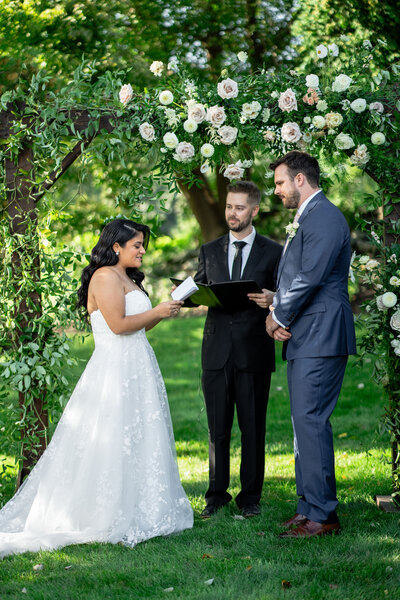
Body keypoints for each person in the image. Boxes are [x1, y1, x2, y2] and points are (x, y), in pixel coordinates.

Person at [0, 218, 193, 558]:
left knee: (137, 437)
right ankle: (100, 512)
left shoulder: (126, 278)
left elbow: (138, 329)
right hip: (113, 371)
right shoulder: (104, 277)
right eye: (137, 244)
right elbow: (118, 326)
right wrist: (159, 309)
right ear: (116, 246)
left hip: (137, 367)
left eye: (142, 244)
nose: (143, 250)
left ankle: (139, 507)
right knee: (109, 435)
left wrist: (163, 311)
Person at [266, 151, 356, 538]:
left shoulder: (325, 217)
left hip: (321, 333)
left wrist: (278, 316)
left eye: (280, 182)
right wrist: (281, 309)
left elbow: (310, 276)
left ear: (300, 179)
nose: (277, 191)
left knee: (312, 421)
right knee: (302, 422)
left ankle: (323, 515)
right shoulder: (309, 217)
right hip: (309, 332)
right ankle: (307, 508)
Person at [195, 181, 282, 519]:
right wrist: (190, 296)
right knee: (217, 429)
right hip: (216, 350)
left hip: (254, 351)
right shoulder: (210, 249)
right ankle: (216, 496)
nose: (232, 213)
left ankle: (250, 498)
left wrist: (273, 299)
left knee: (252, 428)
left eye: (239, 207)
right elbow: (200, 284)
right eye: (229, 207)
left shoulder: (274, 252)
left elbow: (286, 293)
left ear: (254, 210)